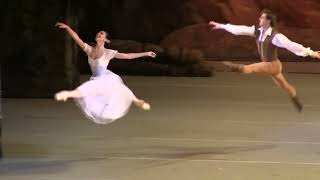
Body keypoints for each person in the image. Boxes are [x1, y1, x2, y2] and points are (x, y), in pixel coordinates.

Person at [208, 9, 320, 112]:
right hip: (272, 67)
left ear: (268, 21)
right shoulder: (257, 31)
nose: (259, 19)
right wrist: (222, 26)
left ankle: (238, 68)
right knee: (284, 86)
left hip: (272, 65)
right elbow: (240, 29)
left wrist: (311, 53)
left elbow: (290, 45)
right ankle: (296, 99)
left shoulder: (276, 36)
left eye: (262, 18)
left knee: (251, 68)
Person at [54, 22, 156, 124]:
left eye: (101, 33)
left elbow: (128, 56)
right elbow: (77, 39)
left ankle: (137, 101)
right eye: (98, 33)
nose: (99, 34)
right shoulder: (89, 49)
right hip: (96, 79)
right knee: (89, 93)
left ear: (106, 39)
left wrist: (146, 53)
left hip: (104, 78)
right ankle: (137, 101)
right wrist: (67, 27)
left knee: (119, 89)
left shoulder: (108, 53)